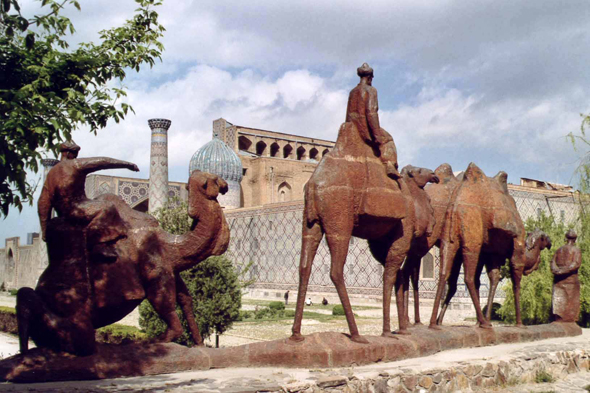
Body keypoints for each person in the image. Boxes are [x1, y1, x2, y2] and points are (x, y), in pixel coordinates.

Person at [38, 141, 140, 260]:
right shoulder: (74, 165)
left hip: (63, 214)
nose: (76, 156)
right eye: (75, 153)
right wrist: (128, 164)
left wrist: (45, 229)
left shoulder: (51, 174)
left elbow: (43, 203)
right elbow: (103, 162)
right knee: (108, 207)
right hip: (77, 209)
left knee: (105, 197)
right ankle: (97, 244)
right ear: (68, 153)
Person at [345, 63, 400, 180]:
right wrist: (377, 135)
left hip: (351, 126)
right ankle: (389, 165)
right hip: (364, 127)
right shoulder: (371, 90)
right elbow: (371, 112)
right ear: (370, 77)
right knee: (389, 139)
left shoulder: (353, 91)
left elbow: (348, 113)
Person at [550, 229, 582, 323]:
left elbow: (553, 262)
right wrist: (562, 271)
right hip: (570, 281)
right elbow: (575, 264)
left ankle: (561, 320)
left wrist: (557, 270)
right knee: (569, 302)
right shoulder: (576, 250)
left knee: (560, 301)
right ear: (575, 239)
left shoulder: (558, 250)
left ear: (565, 238)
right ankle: (567, 321)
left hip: (559, 280)